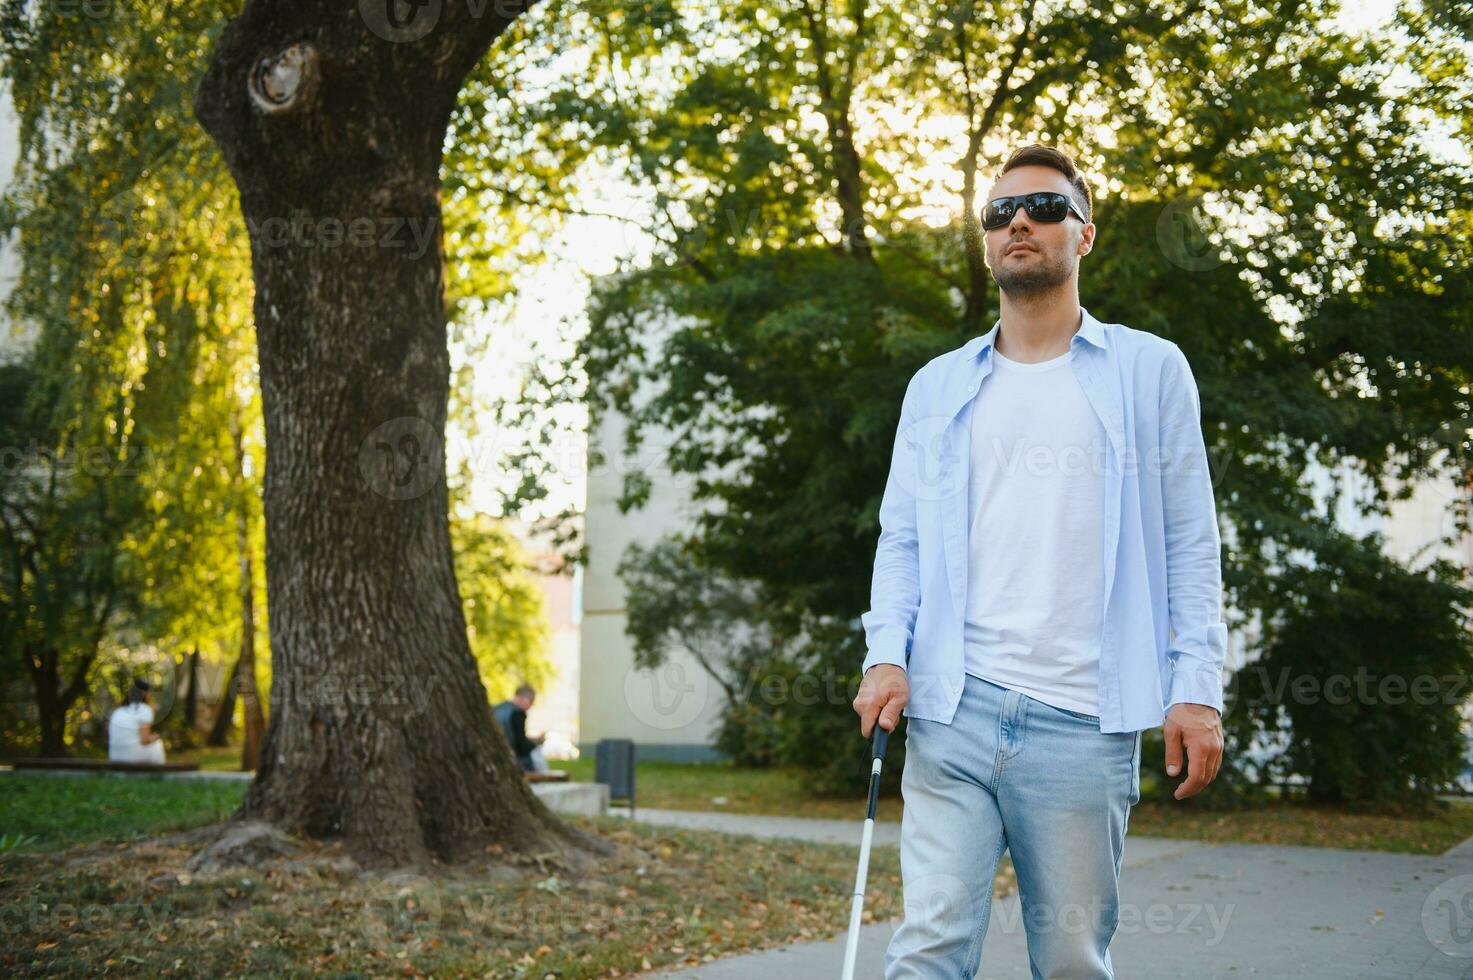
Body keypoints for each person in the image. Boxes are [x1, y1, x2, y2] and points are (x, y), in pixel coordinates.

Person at [852, 144, 1226, 979]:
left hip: (1082, 720)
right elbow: (903, 538)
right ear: (986, 241)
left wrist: (1195, 688)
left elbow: (1188, 540)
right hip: (954, 705)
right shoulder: (936, 386)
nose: (1019, 221)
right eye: (999, 212)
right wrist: (886, 654)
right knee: (929, 946)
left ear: (1084, 235)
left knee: (1068, 961)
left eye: (1045, 208)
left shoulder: (1147, 369)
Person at [108, 678, 166, 765]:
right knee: (158, 744)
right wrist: (156, 736)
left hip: (114, 756)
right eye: (149, 693)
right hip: (132, 756)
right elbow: (145, 740)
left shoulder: (119, 711)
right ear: (145, 694)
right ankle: (159, 775)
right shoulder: (145, 710)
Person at [493, 683, 548, 773]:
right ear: (524, 699)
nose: (531, 706)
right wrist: (535, 744)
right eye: (531, 701)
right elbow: (520, 744)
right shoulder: (518, 714)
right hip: (510, 758)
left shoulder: (497, 709)